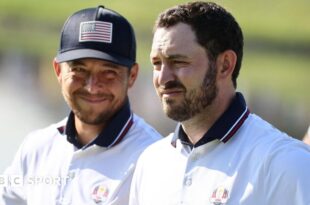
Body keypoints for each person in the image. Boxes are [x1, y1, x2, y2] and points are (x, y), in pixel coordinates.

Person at [129, 1, 310, 205]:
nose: (163, 78)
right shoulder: (151, 162)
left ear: (225, 65)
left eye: (179, 62)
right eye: (157, 63)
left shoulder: (286, 163)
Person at [0, 5, 162, 205]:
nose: (92, 87)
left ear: (132, 76)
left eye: (108, 73)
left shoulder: (154, 158)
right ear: (58, 71)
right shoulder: (36, 148)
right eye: (79, 70)